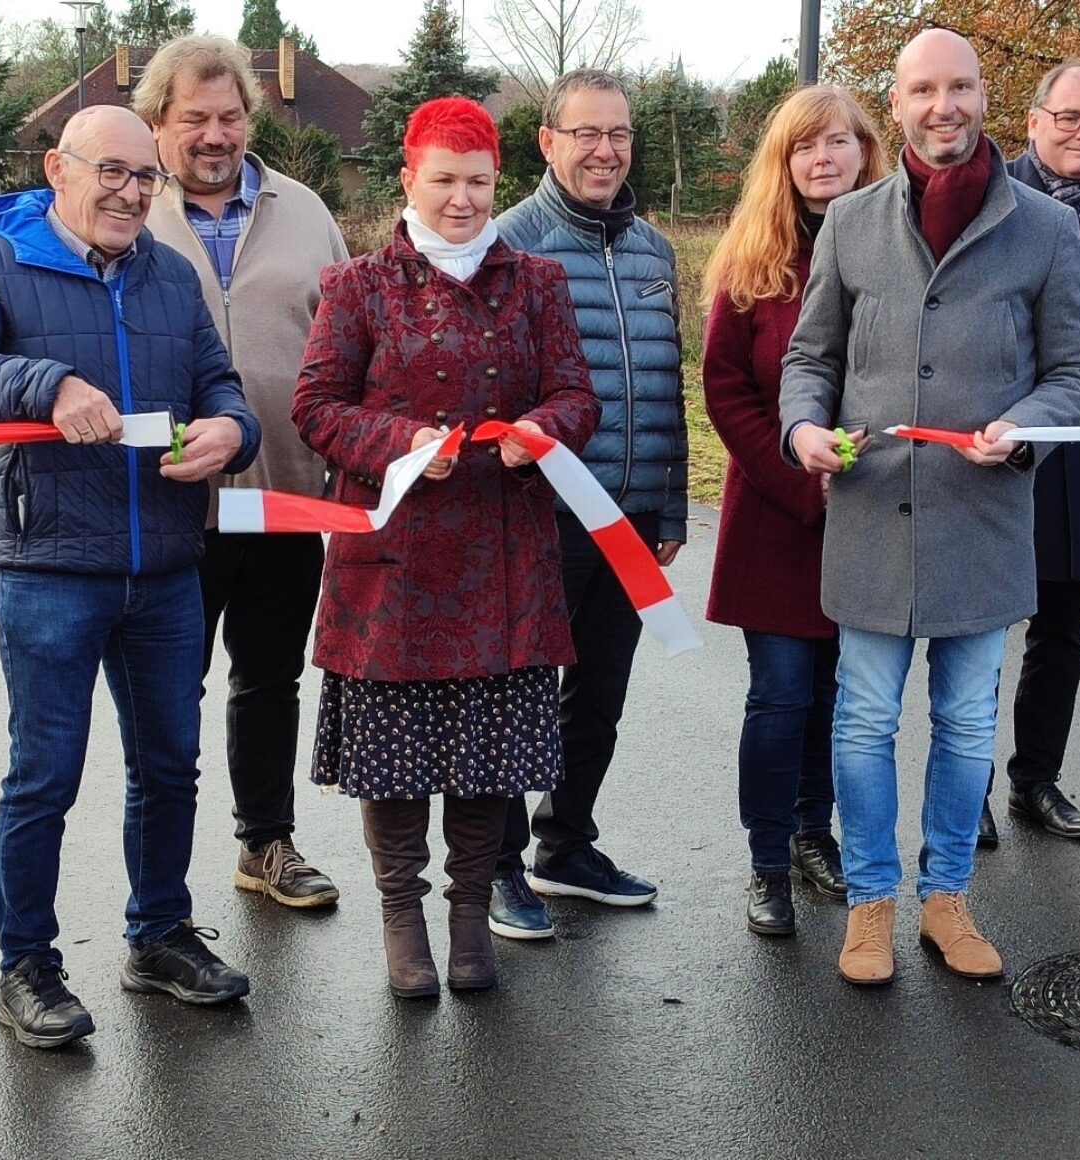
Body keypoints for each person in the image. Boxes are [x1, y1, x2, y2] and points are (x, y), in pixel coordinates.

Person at [779, 29, 1080, 986]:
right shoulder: (850, 222)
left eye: (960, 86)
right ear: (901, 99)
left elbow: (1077, 369)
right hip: (874, 515)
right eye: (924, 89)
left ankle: (947, 899)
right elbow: (811, 359)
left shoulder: (1045, 228)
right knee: (864, 718)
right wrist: (804, 428)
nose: (943, 105)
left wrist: (1029, 423)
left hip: (986, 520)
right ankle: (872, 904)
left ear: (980, 97)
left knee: (966, 724)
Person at [0, 105, 262, 1048]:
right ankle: (27, 966)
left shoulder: (172, 277)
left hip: (166, 566)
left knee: (170, 765)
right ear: (58, 167)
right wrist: (45, 384)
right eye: (113, 173)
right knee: (44, 774)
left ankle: (159, 936)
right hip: (49, 565)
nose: (132, 193)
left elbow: (220, 386)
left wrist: (231, 433)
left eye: (147, 179)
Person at [292, 97, 598, 997]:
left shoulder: (537, 280)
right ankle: (401, 916)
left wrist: (539, 430)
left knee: (486, 750)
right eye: (444, 182)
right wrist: (400, 445)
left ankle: (471, 917)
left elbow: (577, 394)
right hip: (393, 568)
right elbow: (315, 406)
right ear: (408, 180)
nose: (462, 200)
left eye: (477, 182)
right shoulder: (357, 286)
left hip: (503, 557)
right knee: (397, 756)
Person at [133, 37, 345, 907]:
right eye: (195, 119)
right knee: (167, 694)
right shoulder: (127, 209)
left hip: (286, 496)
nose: (215, 135)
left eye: (230, 117)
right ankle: (159, 884)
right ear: (157, 126)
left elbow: (347, 340)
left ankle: (266, 844)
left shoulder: (306, 212)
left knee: (269, 677)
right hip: (161, 501)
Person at [488, 69, 688, 940]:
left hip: (635, 516)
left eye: (620, 134)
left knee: (599, 693)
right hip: (543, 516)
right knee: (519, 694)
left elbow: (667, 383)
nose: (606, 150)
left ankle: (565, 844)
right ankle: (493, 868)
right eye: (587, 134)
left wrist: (672, 504)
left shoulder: (653, 248)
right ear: (548, 141)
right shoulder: (508, 245)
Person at [702, 86, 887, 937]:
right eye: (806, 146)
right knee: (780, 694)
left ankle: (818, 833)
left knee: (839, 696)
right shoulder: (752, 264)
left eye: (840, 143)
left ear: (864, 152)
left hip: (874, 512)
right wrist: (796, 481)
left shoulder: (899, 250)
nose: (824, 159)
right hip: (778, 518)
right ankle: (767, 859)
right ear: (784, 161)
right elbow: (727, 391)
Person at [977, 61, 1080, 843]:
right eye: (1068, 117)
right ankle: (968, 793)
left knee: (1062, 629)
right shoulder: (996, 201)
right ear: (1033, 122)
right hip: (1002, 445)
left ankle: (1037, 781)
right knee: (979, 636)